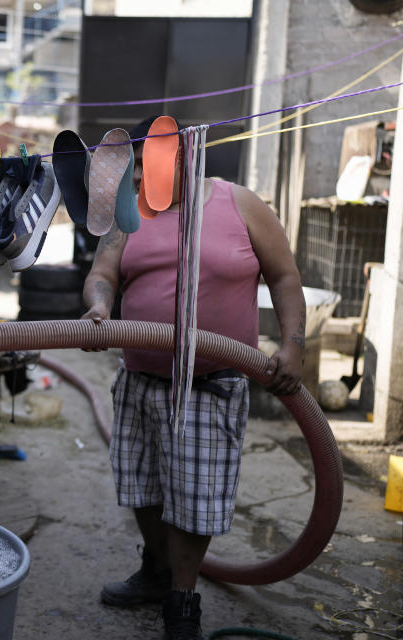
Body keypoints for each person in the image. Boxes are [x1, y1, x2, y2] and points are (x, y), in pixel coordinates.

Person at [81, 117, 306, 640]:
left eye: (150, 164)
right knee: (142, 487)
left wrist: (293, 345)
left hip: (210, 380)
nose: (141, 177)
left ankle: (182, 599)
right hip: (141, 377)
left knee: (194, 499)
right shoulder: (128, 211)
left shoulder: (239, 203)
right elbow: (102, 274)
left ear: (186, 154)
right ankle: (157, 573)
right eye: (135, 167)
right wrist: (98, 307)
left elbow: (285, 276)